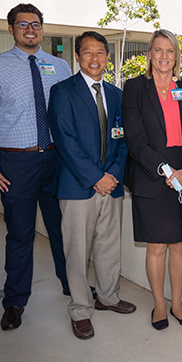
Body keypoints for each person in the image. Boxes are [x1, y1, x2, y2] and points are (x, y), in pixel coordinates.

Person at [0, 3, 71, 331]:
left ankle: (74, 286)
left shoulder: (60, 66)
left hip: (56, 160)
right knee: (21, 234)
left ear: (42, 28)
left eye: (35, 24)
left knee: (63, 231)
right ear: (10, 29)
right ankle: (14, 301)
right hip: (16, 163)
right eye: (22, 24)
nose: (30, 29)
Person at [48, 31, 135, 340]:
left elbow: (124, 139)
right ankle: (81, 310)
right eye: (88, 53)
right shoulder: (62, 92)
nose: (95, 58)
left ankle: (108, 297)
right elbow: (65, 141)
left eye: (101, 52)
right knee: (77, 251)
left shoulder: (116, 94)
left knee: (109, 247)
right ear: (77, 56)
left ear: (107, 57)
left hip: (111, 185)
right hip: (77, 186)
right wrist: (95, 177)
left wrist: (111, 174)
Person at [122, 29, 182, 332]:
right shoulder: (135, 88)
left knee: (180, 244)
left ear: (177, 56)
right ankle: (159, 303)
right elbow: (135, 139)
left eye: (170, 51)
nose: (164, 57)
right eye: (158, 50)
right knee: (157, 246)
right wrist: (167, 171)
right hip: (152, 175)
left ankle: (177, 304)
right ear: (149, 55)